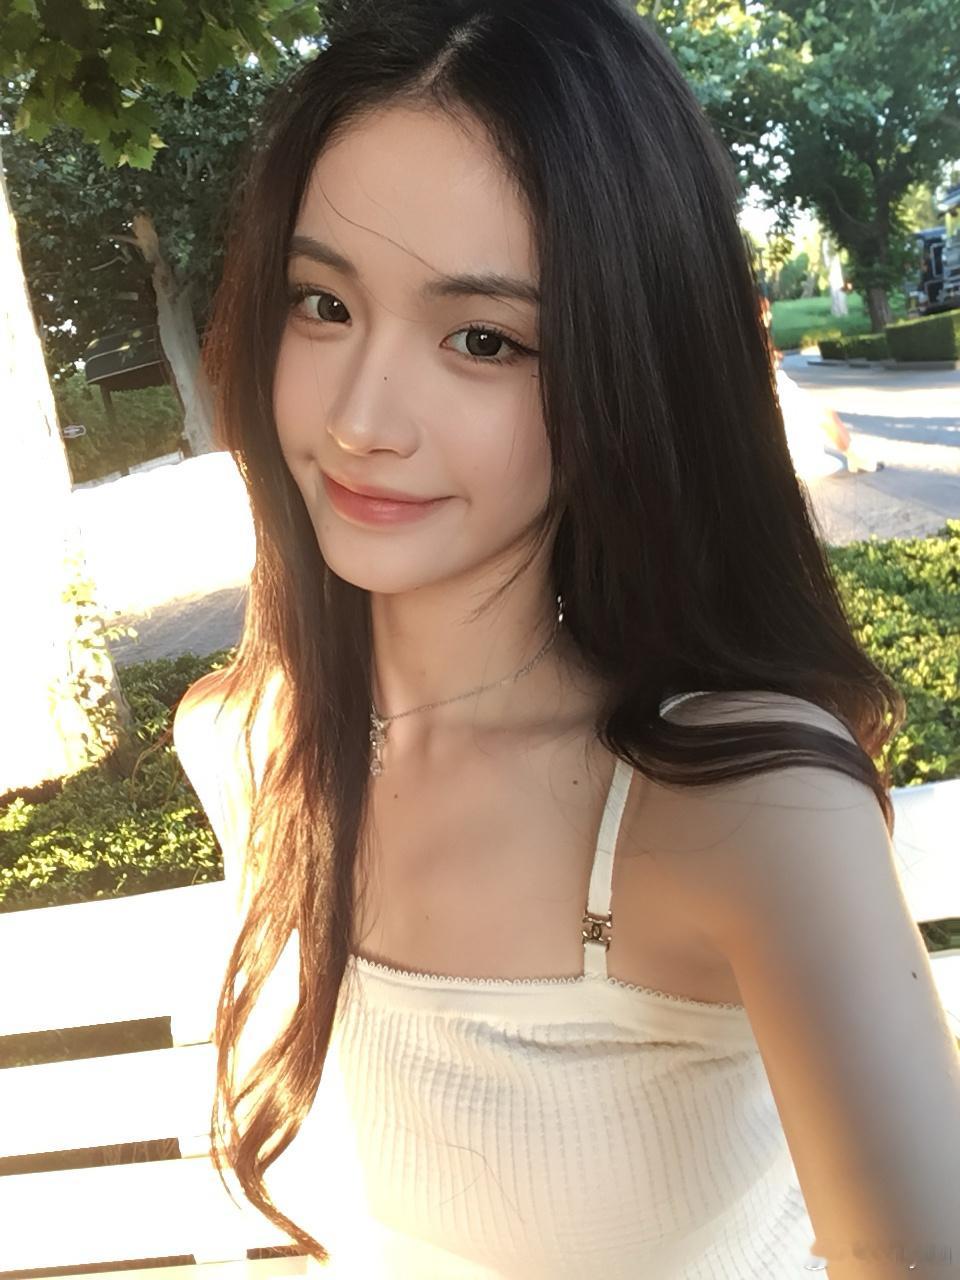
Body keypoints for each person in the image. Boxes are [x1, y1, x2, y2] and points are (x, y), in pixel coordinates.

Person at [173, 2, 960, 1276]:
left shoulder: (747, 810)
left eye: (482, 339)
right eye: (323, 303)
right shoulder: (246, 743)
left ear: (632, 365)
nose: (364, 417)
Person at [759, 294, 881, 481]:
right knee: (825, 415)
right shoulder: (756, 337)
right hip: (775, 389)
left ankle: (856, 457)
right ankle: (857, 458)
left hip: (777, 387)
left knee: (823, 414)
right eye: (766, 312)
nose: (770, 317)